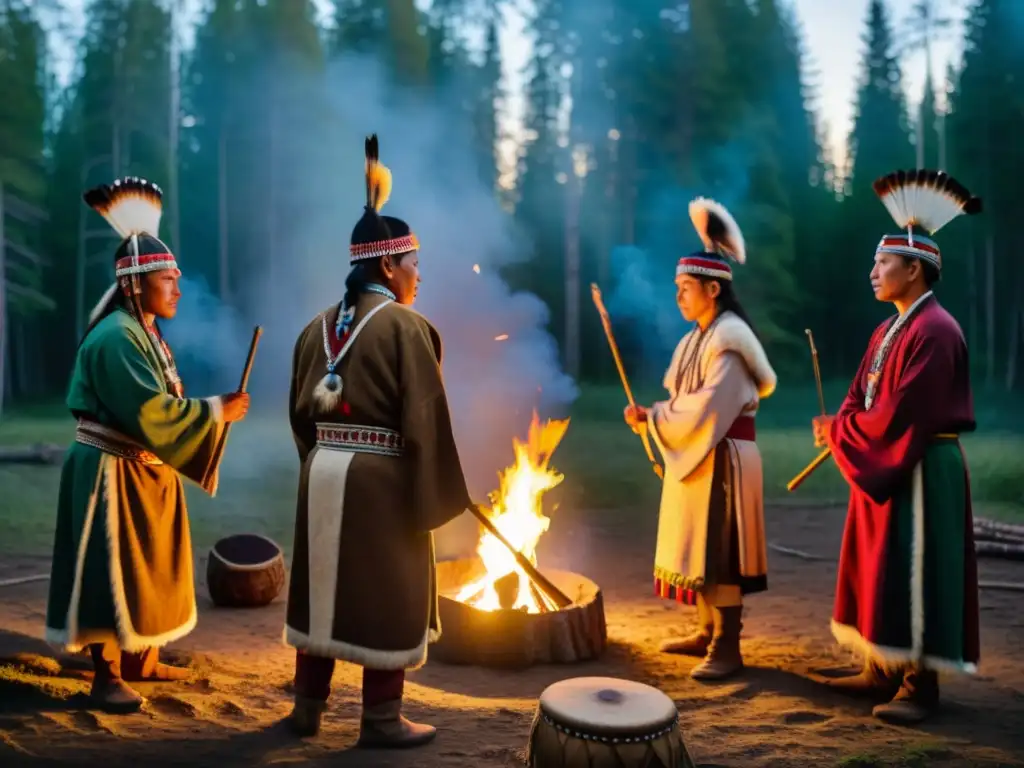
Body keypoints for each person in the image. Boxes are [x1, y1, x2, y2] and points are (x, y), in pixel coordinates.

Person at [283, 135, 473, 748]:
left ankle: (307, 710)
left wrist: (323, 462)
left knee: (323, 588)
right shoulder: (407, 328)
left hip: (323, 472)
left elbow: (298, 415)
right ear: (388, 266)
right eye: (415, 264)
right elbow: (426, 419)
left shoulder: (316, 328)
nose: (419, 276)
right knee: (390, 588)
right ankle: (382, 720)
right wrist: (432, 496)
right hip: (382, 478)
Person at [44, 177, 250, 712]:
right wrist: (215, 410)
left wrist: (210, 411)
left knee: (148, 567)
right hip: (108, 473)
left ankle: (141, 659)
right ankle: (106, 674)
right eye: (167, 278)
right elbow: (148, 412)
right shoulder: (116, 336)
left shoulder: (145, 331)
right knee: (107, 570)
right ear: (136, 285)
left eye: (177, 278)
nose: (178, 287)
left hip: (138, 470)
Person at [812, 169, 982, 724]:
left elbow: (900, 415)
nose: (873, 273)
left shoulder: (936, 331)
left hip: (923, 465)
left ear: (915, 268)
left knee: (918, 566)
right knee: (881, 563)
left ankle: (918, 684)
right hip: (891, 459)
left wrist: (839, 432)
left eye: (883, 264)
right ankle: (880, 666)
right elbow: (858, 397)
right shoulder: (887, 331)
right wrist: (838, 424)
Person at [623, 198, 776, 681]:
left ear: (713, 289)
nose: (678, 296)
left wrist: (655, 416)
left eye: (685, 288)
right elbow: (686, 401)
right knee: (697, 546)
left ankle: (728, 645)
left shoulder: (730, 340)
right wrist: (650, 418)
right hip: (702, 454)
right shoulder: (696, 338)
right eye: (675, 288)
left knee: (720, 551)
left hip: (725, 456)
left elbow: (710, 407)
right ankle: (706, 632)